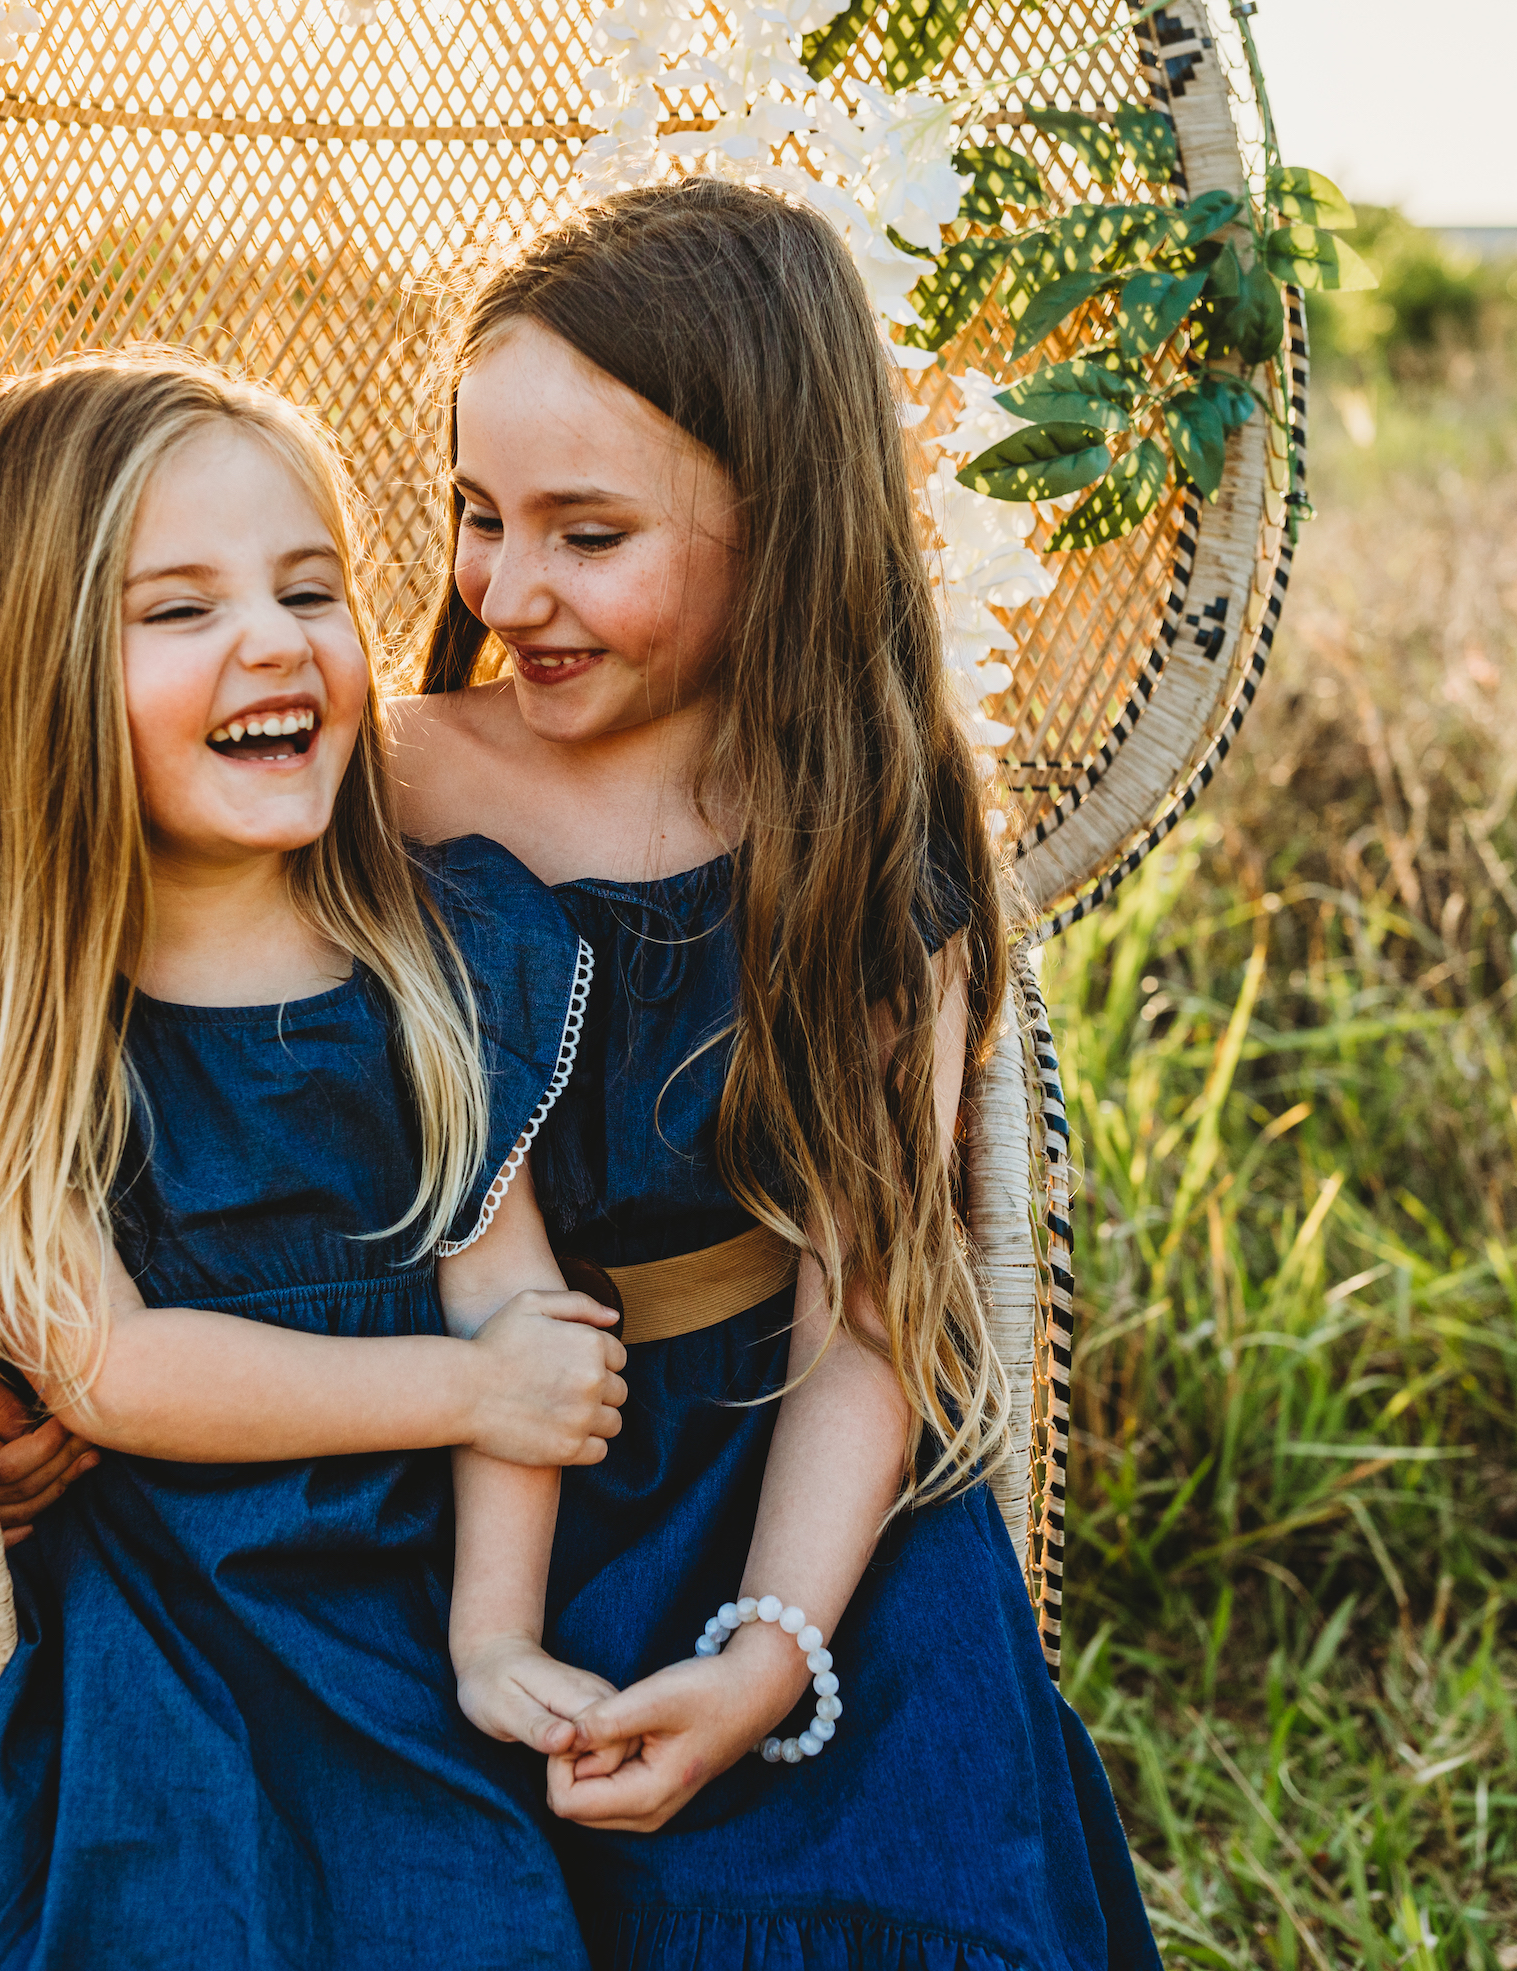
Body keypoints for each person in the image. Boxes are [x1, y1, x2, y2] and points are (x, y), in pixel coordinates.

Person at [387, 179, 1167, 1969]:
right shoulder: (395, 777)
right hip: (454, 1457)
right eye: (476, 516)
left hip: (778, 1475)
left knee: (884, 1867)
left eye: (588, 537)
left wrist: (768, 1656)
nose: (507, 591)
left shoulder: (866, 835)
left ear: (780, 525)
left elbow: (867, 1311)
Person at [0, 349, 627, 1968]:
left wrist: (491, 1640)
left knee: (463, 1914)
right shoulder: (12, 1004)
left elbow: (521, 1323)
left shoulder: (451, 953)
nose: (275, 641)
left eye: (309, 587)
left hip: (413, 1601)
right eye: (177, 610)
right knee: (178, 1903)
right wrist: (465, 1392)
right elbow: (110, 1367)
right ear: (30, 677)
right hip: (172, 1617)